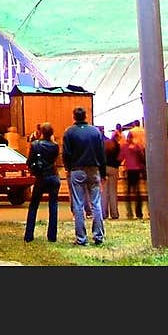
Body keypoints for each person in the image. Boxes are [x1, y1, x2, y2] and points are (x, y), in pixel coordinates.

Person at [61, 105, 106, 246]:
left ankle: (81, 238)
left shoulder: (69, 132)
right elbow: (101, 153)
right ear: (86, 116)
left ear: (74, 117)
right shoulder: (95, 132)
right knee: (96, 204)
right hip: (94, 169)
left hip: (77, 169)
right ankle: (98, 235)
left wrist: (69, 168)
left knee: (78, 204)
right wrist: (102, 173)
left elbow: (66, 154)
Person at [23, 121, 61, 243]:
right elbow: (56, 160)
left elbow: (29, 161)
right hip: (53, 176)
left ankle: (29, 235)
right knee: (53, 205)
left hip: (41, 177)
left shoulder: (35, 145)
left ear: (41, 132)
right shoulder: (55, 146)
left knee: (34, 205)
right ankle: (52, 236)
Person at [120, 128, 146, 219]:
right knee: (137, 192)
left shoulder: (125, 147)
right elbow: (141, 157)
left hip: (129, 170)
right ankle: (139, 213)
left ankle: (130, 212)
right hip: (137, 170)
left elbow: (120, 158)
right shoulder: (137, 146)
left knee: (128, 193)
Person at [102, 128, 121, 220]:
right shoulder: (117, 146)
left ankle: (104, 213)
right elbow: (120, 158)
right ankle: (114, 213)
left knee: (104, 192)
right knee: (113, 191)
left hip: (104, 168)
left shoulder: (105, 144)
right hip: (114, 168)